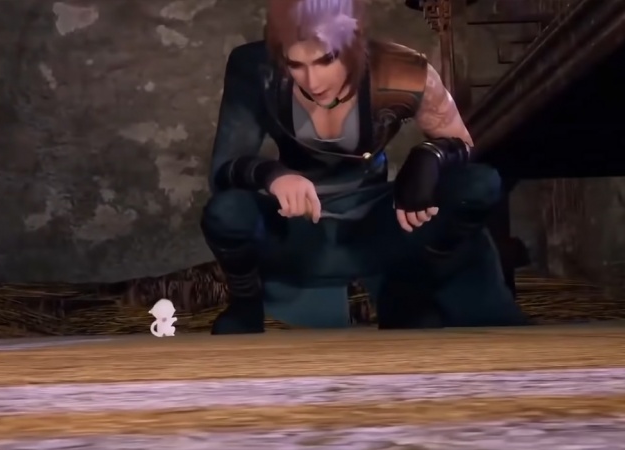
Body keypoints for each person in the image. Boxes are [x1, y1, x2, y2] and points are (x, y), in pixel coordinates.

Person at [201, 0, 529, 334]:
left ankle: (412, 289)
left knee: (479, 184)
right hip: (299, 226)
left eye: (326, 59)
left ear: (353, 43)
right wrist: (274, 176)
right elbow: (223, 172)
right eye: (295, 65)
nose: (312, 81)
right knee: (226, 212)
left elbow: (462, 144)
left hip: (377, 221)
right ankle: (246, 304)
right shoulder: (256, 69)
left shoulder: (402, 70)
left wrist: (429, 157)